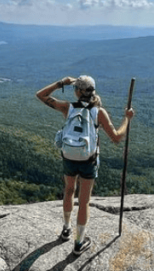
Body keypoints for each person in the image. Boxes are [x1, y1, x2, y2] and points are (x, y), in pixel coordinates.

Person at [36, 75, 135, 255]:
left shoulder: (68, 107)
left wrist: (61, 83)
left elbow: (40, 95)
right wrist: (127, 118)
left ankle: (66, 229)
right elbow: (117, 137)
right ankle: (79, 243)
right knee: (84, 202)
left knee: (68, 190)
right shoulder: (99, 112)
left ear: (77, 92)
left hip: (69, 157)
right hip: (88, 160)